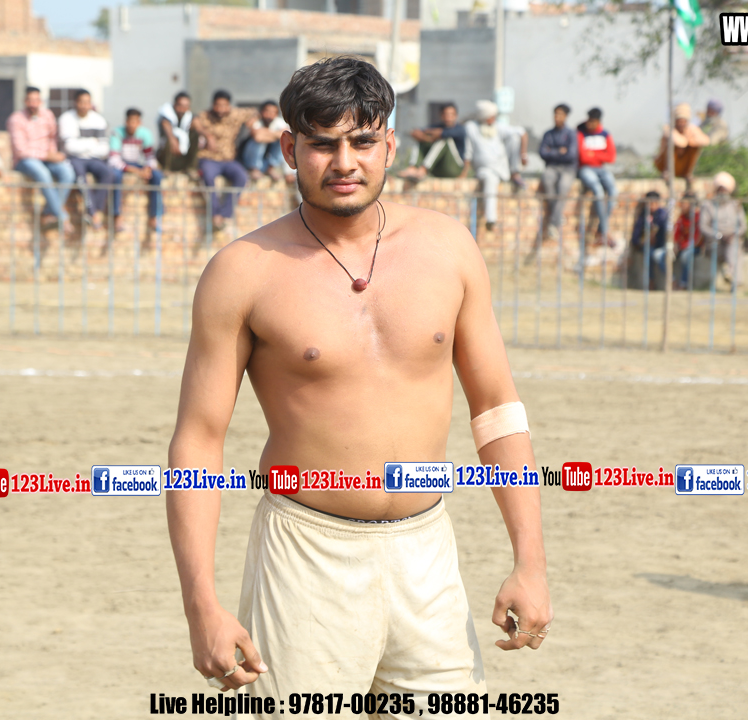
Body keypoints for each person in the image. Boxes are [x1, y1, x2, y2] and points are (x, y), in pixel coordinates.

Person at [167, 56, 551, 713]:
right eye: (322, 144)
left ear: (390, 146)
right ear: (289, 148)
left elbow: (497, 411)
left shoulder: (448, 248)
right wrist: (201, 604)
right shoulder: (243, 271)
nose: (344, 162)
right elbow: (198, 444)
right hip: (305, 555)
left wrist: (531, 562)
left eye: (362, 141)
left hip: (427, 556)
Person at [7, 86, 76, 236]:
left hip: (47, 159)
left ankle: (49, 213)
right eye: (30, 100)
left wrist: (53, 155)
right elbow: (21, 151)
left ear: (41, 101)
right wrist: (47, 156)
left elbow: (52, 139)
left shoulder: (47, 115)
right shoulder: (16, 119)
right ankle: (63, 218)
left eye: (36, 100)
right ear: (24, 101)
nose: (33, 104)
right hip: (25, 161)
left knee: (67, 172)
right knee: (42, 173)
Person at [191, 90, 255, 231]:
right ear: (213, 105)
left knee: (241, 177)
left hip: (228, 160)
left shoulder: (236, 114)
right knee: (208, 177)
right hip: (209, 158)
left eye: (224, 105)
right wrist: (207, 135)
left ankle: (225, 214)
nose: (220, 109)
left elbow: (255, 112)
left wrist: (253, 121)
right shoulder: (205, 116)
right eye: (217, 105)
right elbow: (194, 121)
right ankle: (215, 214)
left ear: (229, 105)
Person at [463, 100, 527, 231]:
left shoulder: (498, 127)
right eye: (490, 116)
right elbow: (468, 152)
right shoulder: (471, 127)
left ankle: (515, 172)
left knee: (514, 138)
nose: (493, 118)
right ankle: (491, 219)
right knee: (490, 180)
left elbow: (522, 133)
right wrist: (464, 172)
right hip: (484, 170)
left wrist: (523, 154)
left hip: (501, 169)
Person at [59, 89, 114, 229]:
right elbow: (70, 147)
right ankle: (93, 212)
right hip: (75, 159)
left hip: (94, 159)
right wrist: (93, 142)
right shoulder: (67, 119)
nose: (84, 106)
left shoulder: (99, 120)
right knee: (81, 177)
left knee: (108, 174)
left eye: (87, 102)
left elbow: (104, 149)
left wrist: (82, 144)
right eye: (81, 102)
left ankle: (95, 211)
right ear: (75, 103)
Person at [109, 108, 164, 233]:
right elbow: (114, 160)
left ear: (139, 123)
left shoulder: (145, 134)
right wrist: (137, 171)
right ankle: (117, 215)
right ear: (126, 121)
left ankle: (155, 216)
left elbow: (150, 157)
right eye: (130, 121)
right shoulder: (117, 133)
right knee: (115, 176)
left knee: (157, 176)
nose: (132, 125)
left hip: (138, 164)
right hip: (122, 165)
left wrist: (148, 169)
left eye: (135, 122)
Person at [698, 171, 747, 288]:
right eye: (720, 190)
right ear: (716, 190)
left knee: (733, 246)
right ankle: (733, 277)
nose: (722, 193)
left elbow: (743, 226)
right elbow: (703, 226)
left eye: (724, 190)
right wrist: (718, 235)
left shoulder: (736, 205)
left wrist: (733, 234)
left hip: (732, 240)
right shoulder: (708, 205)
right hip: (714, 243)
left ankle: (731, 276)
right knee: (730, 249)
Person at [576, 107, 617, 245]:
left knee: (613, 191)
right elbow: (583, 157)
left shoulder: (605, 134)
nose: (590, 124)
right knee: (598, 190)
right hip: (585, 169)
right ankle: (605, 232)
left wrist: (593, 154)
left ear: (598, 122)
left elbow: (611, 157)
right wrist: (600, 155)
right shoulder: (581, 132)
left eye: (593, 122)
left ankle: (601, 229)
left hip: (600, 168)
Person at [397, 102, 468, 181]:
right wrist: (424, 138)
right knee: (421, 140)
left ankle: (423, 169)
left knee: (444, 140)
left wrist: (428, 136)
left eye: (451, 114)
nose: (448, 117)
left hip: (454, 168)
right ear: (441, 115)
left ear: (456, 116)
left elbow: (440, 133)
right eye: (446, 114)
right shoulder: (436, 126)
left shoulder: (459, 129)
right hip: (437, 169)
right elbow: (415, 133)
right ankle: (412, 168)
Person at [538, 103, 578, 240]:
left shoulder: (571, 134)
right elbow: (542, 153)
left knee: (563, 187)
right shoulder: (548, 134)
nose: (557, 117)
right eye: (555, 114)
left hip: (568, 168)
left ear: (566, 116)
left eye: (560, 114)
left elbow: (571, 155)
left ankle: (553, 223)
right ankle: (558, 216)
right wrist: (559, 152)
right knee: (547, 180)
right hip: (552, 167)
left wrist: (552, 152)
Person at [655, 103, 710, 192]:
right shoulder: (668, 129)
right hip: (665, 165)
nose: (681, 124)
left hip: (682, 167)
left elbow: (705, 141)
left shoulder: (690, 129)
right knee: (672, 145)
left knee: (694, 147)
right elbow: (680, 143)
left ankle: (687, 173)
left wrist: (691, 140)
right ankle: (667, 172)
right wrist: (688, 139)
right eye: (679, 121)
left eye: (683, 121)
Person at [241, 100, 291, 183]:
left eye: (273, 112)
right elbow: (258, 137)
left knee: (282, 141)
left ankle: (270, 168)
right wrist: (276, 134)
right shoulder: (255, 121)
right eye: (267, 111)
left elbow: (285, 134)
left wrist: (265, 133)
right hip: (248, 159)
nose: (270, 115)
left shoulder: (279, 122)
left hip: (265, 160)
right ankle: (254, 169)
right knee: (259, 143)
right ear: (261, 112)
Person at [629, 190, 668, 290]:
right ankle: (650, 282)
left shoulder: (663, 215)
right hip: (647, 246)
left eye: (654, 203)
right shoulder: (643, 215)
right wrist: (642, 242)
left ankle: (671, 281)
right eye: (649, 203)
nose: (651, 206)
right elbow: (635, 237)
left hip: (660, 246)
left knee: (656, 254)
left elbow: (665, 234)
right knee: (648, 252)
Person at [158, 91, 198, 174]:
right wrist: (172, 139)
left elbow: (198, 125)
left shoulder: (189, 116)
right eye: (180, 105)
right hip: (167, 156)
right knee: (169, 137)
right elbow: (166, 124)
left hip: (183, 155)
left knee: (196, 135)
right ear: (174, 104)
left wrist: (208, 136)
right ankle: (166, 169)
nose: (183, 109)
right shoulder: (166, 113)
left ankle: (190, 168)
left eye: (186, 106)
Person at [672, 192, 701, 289]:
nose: (681, 206)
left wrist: (684, 246)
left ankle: (684, 284)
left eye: (684, 203)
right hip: (682, 247)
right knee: (660, 255)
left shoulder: (698, 217)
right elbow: (676, 235)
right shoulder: (681, 218)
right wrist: (675, 246)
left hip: (694, 247)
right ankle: (672, 280)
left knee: (685, 256)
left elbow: (697, 239)